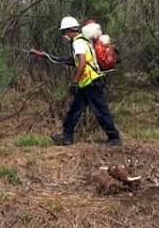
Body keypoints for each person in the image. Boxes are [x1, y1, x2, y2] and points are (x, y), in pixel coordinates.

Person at [48, 16, 122, 146]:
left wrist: (74, 82)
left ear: (71, 30)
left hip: (90, 83)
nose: (64, 35)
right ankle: (67, 137)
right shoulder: (84, 40)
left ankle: (114, 138)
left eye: (64, 32)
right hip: (88, 83)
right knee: (74, 110)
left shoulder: (77, 42)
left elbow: (82, 63)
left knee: (100, 111)